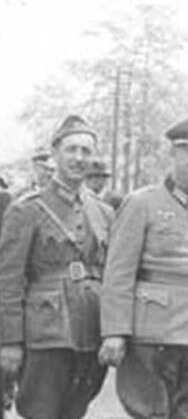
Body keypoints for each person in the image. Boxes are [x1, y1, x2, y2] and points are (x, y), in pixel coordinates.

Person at [98, 115, 188, 419]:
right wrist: (115, 332)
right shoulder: (141, 204)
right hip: (153, 336)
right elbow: (118, 273)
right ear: (174, 153)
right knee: (151, 413)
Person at [0, 115, 114, 419]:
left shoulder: (103, 212)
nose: (79, 158)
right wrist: (9, 341)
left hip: (90, 329)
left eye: (86, 151)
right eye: (71, 149)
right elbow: (8, 281)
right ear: (55, 153)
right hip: (45, 331)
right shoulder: (27, 209)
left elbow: (112, 274)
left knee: (75, 410)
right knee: (41, 411)